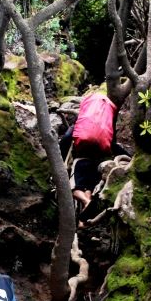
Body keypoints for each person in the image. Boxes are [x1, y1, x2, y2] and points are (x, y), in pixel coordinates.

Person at [59, 92, 125, 223]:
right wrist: (127, 156)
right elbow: (112, 144)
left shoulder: (82, 123)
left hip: (81, 159)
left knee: (75, 189)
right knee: (88, 187)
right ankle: (83, 222)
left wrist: (60, 158)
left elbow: (66, 138)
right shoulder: (105, 124)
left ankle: (86, 201)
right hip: (97, 160)